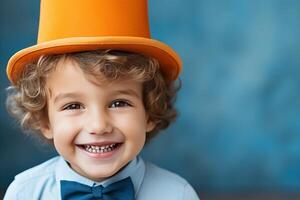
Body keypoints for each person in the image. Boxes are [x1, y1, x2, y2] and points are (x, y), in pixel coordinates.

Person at [4, 0, 199, 199]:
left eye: (119, 103)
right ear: (44, 120)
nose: (98, 126)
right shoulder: (24, 193)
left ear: (149, 112)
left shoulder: (178, 194)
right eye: (73, 105)